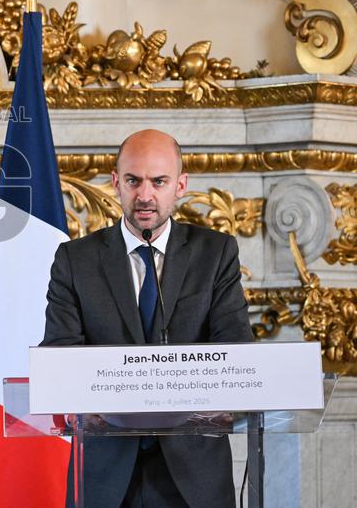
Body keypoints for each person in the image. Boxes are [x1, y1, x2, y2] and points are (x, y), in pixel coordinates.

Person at [42, 129, 252, 508]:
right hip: (104, 476)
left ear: (180, 185)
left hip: (193, 476)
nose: (145, 195)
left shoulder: (216, 252)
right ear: (115, 183)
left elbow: (234, 348)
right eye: (133, 181)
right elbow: (59, 355)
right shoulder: (75, 259)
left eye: (159, 181)